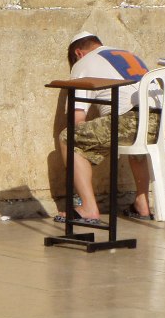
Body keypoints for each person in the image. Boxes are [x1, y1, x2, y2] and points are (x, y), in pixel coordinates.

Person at [56, 31, 159, 224]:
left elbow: (77, 118)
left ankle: (87, 207)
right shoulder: (127, 54)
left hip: (132, 121)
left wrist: (88, 147)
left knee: (68, 138)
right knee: (135, 144)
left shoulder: (83, 63)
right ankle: (142, 204)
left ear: (78, 53)